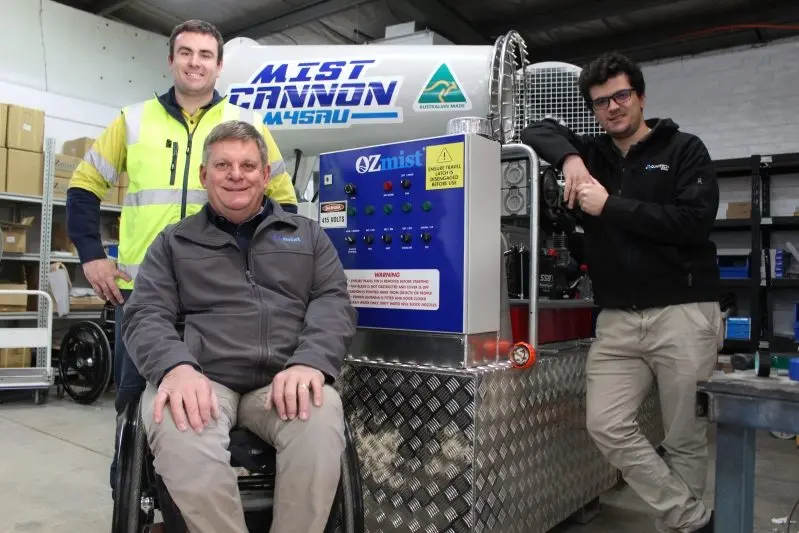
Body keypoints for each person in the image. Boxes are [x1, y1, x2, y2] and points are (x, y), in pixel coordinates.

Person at [66, 19, 297, 489]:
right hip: (144, 297)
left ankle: (194, 502)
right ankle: (132, 501)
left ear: (219, 65)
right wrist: (92, 254)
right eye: (186, 53)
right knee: (136, 408)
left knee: (210, 412)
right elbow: (83, 186)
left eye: (205, 55)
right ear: (170, 60)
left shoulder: (247, 123)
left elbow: (283, 201)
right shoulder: (131, 120)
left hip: (222, 298)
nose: (195, 62)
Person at [122, 119, 356, 533]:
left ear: (265, 176)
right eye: (223, 165)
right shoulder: (173, 243)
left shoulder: (308, 237)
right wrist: (175, 368)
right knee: (177, 421)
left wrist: (310, 363)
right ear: (204, 175)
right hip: (204, 379)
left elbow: (333, 301)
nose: (236, 175)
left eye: (248, 166)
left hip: (283, 380)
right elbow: (145, 313)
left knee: (321, 416)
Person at [521, 52, 721, 533]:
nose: (612, 108)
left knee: (684, 439)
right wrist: (569, 158)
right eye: (600, 102)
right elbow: (534, 131)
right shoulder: (593, 155)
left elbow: (692, 223)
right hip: (617, 319)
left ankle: (680, 528)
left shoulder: (684, 149)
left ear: (641, 96)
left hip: (683, 311)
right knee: (606, 425)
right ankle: (692, 518)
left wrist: (610, 205)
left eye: (621, 96)